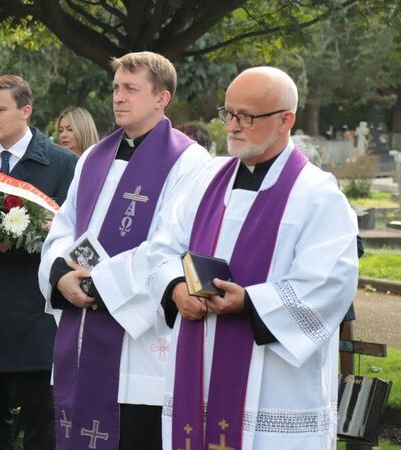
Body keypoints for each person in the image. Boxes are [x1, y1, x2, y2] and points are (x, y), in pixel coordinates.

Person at [132, 67, 358, 449]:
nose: (232, 126)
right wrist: (174, 288)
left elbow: (329, 283)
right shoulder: (205, 180)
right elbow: (162, 246)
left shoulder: (317, 193)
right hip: (198, 365)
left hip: (273, 383)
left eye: (247, 117)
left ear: (286, 119)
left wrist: (250, 302)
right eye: (228, 113)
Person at [38, 52, 210, 450]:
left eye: (131, 89)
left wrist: (99, 284)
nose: (118, 97)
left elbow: (170, 244)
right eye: (116, 88)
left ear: (161, 98)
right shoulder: (93, 156)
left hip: (139, 341)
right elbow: (63, 228)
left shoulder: (188, 160)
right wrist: (61, 274)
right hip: (81, 328)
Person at [0, 74, 77, 450]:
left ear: (26, 111)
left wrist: (20, 243)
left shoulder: (61, 163)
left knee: (41, 422)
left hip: (32, 311)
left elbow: (71, 237)